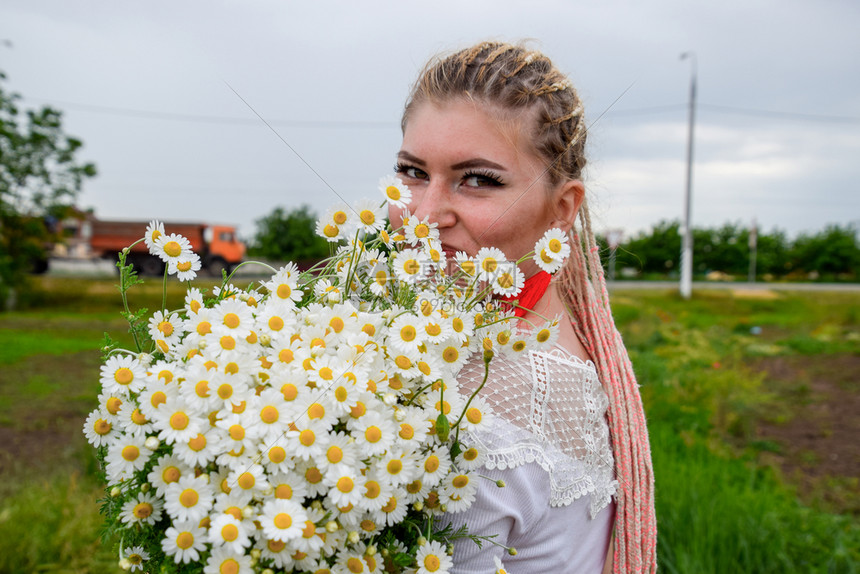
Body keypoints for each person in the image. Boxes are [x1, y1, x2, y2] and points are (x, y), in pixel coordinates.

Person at [388, 42, 657, 573]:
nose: (424, 214)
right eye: (413, 172)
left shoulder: (479, 402)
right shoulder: (557, 329)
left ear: (562, 209)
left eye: (479, 180)